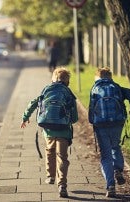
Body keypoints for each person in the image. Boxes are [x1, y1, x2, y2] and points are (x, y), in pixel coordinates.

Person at [21, 67, 78, 198]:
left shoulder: (47, 89)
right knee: (62, 157)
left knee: (49, 151)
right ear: (67, 81)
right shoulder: (68, 92)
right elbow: (74, 116)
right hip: (63, 130)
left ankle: (50, 175)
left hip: (48, 129)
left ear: (53, 78)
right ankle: (62, 184)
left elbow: (33, 103)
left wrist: (25, 117)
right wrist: (71, 120)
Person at [88, 67, 130, 198]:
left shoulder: (94, 88)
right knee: (115, 146)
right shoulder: (116, 86)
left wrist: (92, 121)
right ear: (110, 76)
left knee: (105, 155)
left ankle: (110, 186)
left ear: (97, 78)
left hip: (101, 124)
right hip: (117, 122)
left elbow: (91, 107)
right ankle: (118, 170)